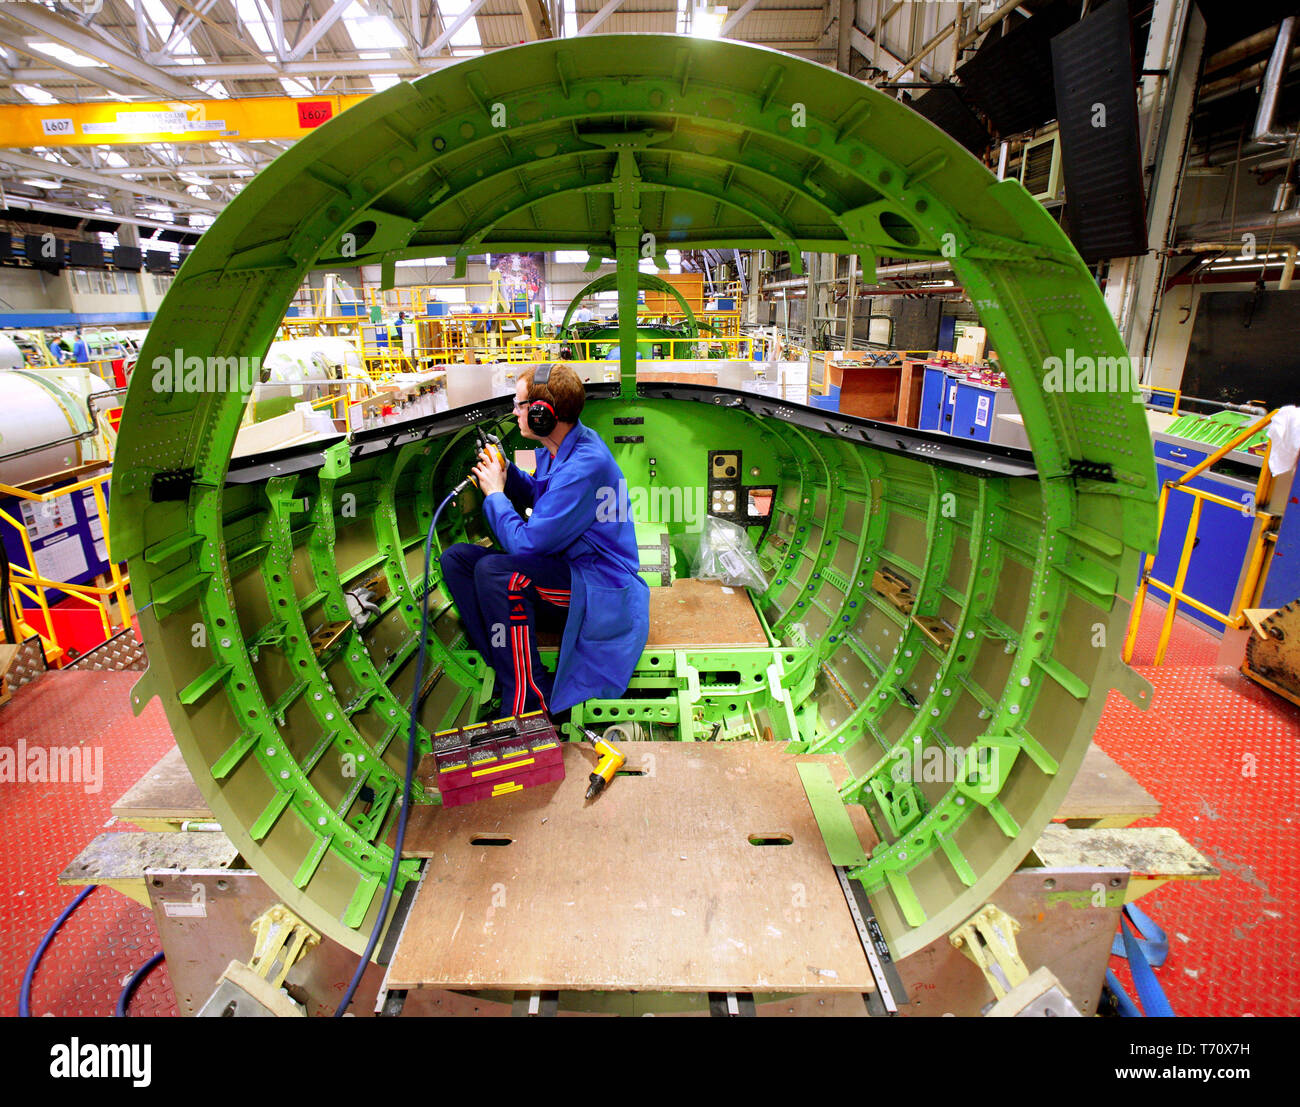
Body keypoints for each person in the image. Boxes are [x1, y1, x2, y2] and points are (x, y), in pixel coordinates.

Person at [438, 363, 649, 720]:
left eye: (520, 406)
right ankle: (509, 667)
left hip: (600, 586)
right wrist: (509, 471)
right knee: (457, 560)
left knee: (497, 572)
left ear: (541, 416)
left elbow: (527, 546)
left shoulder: (586, 462)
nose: (514, 413)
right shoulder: (566, 447)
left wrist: (494, 494)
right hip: (569, 569)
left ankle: (529, 701)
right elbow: (543, 495)